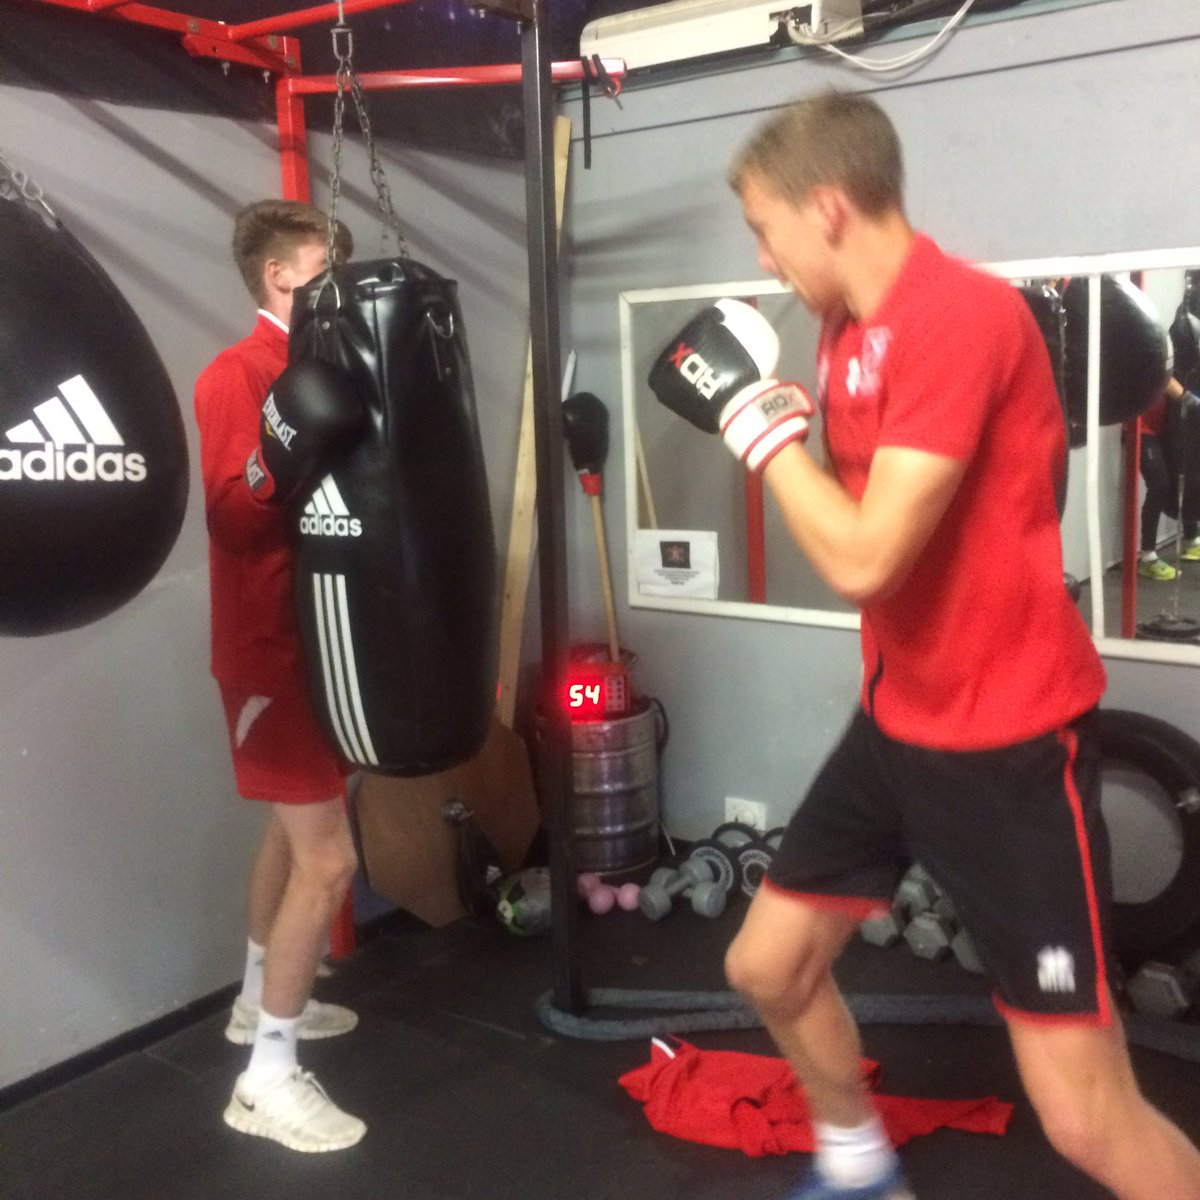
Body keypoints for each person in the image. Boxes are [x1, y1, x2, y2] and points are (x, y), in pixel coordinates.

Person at [652, 92, 1200, 1200]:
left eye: (766, 227)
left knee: (1084, 1118)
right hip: (900, 720)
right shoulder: (847, 327)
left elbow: (863, 559)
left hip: (1007, 753)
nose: (758, 255)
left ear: (828, 206)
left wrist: (756, 428)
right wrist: (786, 418)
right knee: (768, 965)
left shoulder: (961, 317)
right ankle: (859, 1164)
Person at [193, 199, 366, 1153]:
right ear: (280, 277)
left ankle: (253, 1000)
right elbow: (231, 520)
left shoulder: (319, 367)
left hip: (323, 642)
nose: (336, 286)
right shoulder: (239, 375)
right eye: (324, 270)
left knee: (296, 826)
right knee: (330, 858)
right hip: (268, 651)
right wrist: (280, 454)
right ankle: (266, 1075)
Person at [1137, 376, 1200, 581]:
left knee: (1186, 475)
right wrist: (1189, 398)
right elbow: (1163, 377)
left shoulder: (1178, 352)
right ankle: (1147, 557)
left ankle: (1191, 540)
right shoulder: (1153, 355)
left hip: (1169, 428)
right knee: (1159, 486)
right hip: (1143, 429)